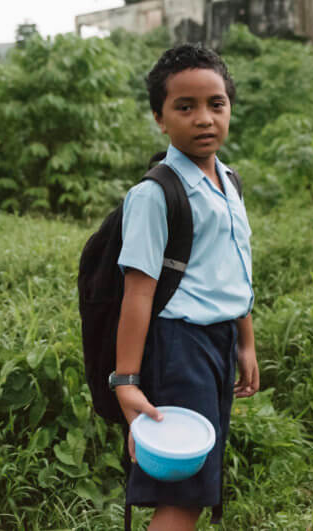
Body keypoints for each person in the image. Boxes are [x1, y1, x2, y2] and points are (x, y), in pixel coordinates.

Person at [114, 44, 259, 530]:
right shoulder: (155, 194)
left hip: (218, 343)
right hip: (179, 349)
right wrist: (126, 383)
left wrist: (246, 340)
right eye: (185, 107)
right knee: (182, 494)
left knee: (198, 484)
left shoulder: (229, 182)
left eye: (216, 104)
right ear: (160, 117)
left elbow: (233, 268)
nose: (204, 119)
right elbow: (138, 292)